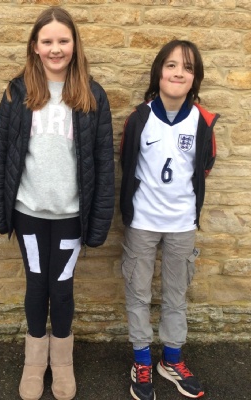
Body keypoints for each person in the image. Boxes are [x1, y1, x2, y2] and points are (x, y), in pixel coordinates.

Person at [0, 6, 115, 400]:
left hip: (70, 218)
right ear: (35, 46)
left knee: (61, 289)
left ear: (74, 45)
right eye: (47, 41)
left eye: (63, 40)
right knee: (36, 286)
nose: (55, 48)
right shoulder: (17, 93)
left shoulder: (92, 95)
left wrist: (98, 223)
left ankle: (61, 362)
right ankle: (33, 362)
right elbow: (0, 154)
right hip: (28, 214)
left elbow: (103, 163)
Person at [120, 40, 219, 400]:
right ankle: (142, 360)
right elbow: (126, 162)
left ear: (195, 78)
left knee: (176, 294)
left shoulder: (203, 120)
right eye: (172, 65)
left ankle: (172, 359)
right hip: (143, 222)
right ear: (159, 72)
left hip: (182, 223)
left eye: (188, 68)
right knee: (138, 292)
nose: (179, 73)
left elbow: (204, 166)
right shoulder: (139, 118)